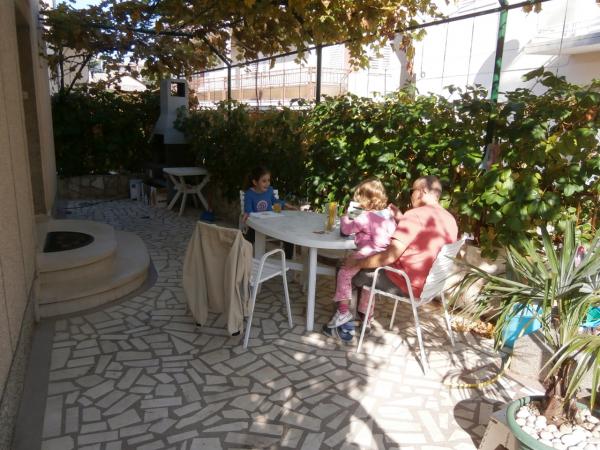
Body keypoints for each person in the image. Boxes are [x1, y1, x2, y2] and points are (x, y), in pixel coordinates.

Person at [346, 175, 458, 326]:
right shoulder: (450, 219)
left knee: (349, 269)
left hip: (405, 284)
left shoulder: (415, 215)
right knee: (365, 264)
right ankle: (363, 318)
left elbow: (389, 257)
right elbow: (423, 237)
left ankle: (346, 323)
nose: (411, 195)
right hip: (430, 287)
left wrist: (357, 263)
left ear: (422, 191)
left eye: (412, 191)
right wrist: (402, 219)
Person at [327, 179, 397, 328]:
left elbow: (345, 230)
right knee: (368, 287)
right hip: (383, 258)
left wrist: (349, 214)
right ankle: (367, 318)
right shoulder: (389, 215)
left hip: (368, 253)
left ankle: (343, 311)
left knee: (344, 272)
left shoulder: (366, 216)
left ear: (365, 200)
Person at [242, 165, 297, 258]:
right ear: (255, 182)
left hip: (271, 221)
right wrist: (247, 214)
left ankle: (288, 260)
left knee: (288, 235)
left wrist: (288, 205)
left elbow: (275, 201)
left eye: (268, 180)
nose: (267, 183)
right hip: (257, 224)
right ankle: (243, 256)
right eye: (264, 181)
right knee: (249, 238)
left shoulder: (269, 190)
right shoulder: (249, 194)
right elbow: (249, 210)